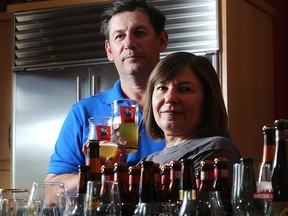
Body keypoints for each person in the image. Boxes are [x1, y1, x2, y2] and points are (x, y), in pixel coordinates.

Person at [44, 0, 168, 191]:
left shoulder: (184, 106)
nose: (129, 43)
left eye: (139, 33)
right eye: (119, 36)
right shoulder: (83, 113)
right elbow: (51, 191)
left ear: (161, 41)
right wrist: (94, 175)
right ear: (109, 50)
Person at [141, 52, 241, 183]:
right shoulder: (148, 161)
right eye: (162, 88)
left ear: (208, 100)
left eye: (184, 89)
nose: (170, 98)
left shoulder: (215, 150)